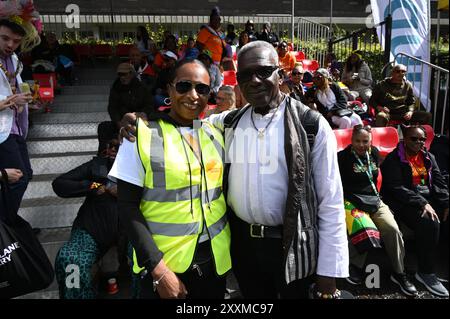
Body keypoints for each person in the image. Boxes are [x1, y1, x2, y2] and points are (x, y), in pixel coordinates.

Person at [118, 41, 350, 299]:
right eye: (245, 75)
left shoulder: (311, 125)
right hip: (242, 249)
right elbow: (180, 122)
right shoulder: (227, 123)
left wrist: (329, 275)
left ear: (280, 74)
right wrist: (140, 118)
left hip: (292, 247)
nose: (254, 80)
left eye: (263, 71)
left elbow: (331, 202)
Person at [109, 59, 231, 299]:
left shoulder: (215, 133)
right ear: (169, 89)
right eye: (184, 86)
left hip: (215, 262)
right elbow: (126, 206)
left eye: (202, 89)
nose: (193, 95)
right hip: (166, 266)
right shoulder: (140, 135)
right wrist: (158, 270)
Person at [338, 125, 418, 296]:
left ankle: (399, 272)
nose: (361, 145)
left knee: (393, 230)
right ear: (351, 141)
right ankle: (355, 266)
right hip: (352, 202)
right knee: (366, 230)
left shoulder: (373, 153)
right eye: (357, 141)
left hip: (375, 201)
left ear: (371, 141)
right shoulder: (342, 158)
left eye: (365, 141)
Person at [53, 133, 125, 299]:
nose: (113, 149)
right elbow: (59, 184)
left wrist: (126, 193)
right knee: (70, 260)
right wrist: (95, 186)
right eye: (110, 145)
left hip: (134, 234)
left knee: (152, 266)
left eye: (118, 146)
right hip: (92, 231)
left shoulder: (145, 166)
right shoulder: (97, 165)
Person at [380, 125, 449, 298]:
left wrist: (446, 202)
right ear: (404, 139)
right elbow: (396, 188)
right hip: (404, 202)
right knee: (429, 221)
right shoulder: (394, 159)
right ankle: (426, 272)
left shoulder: (428, 157)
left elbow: (439, 182)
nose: (418, 142)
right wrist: (422, 203)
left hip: (426, 198)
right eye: (414, 139)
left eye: (422, 139)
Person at [0, 8, 40, 222]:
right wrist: (6, 103)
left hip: (15, 127)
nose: (10, 45)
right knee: (17, 179)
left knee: (25, 176)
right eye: (5, 39)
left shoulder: (14, 60)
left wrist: (24, 100)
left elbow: (14, 88)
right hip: (2, 132)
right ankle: (8, 226)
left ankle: (8, 224)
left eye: (15, 41)